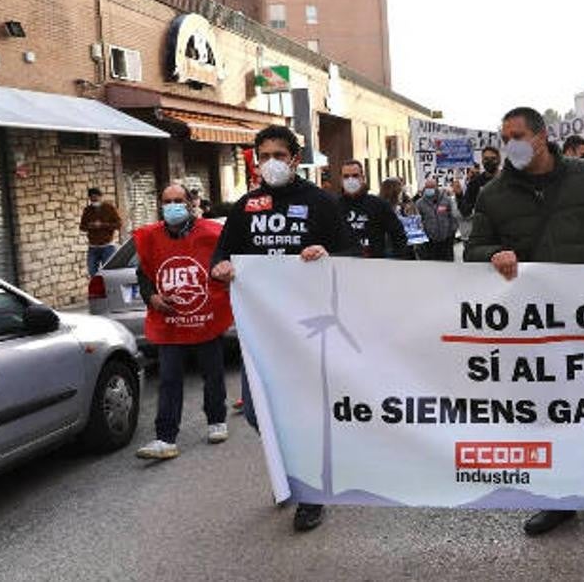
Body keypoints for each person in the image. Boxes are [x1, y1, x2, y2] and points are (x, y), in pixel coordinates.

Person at [465, 106, 584, 537]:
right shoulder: (493, 195)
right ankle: (560, 496)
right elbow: (473, 248)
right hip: (531, 323)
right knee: (546, 408)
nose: (509, 143)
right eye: (504, 136)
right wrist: (491, 255)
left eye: (516, 135)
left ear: (541, 136)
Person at [210, 125, 351, 533]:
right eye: (263, 154)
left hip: (309, 330)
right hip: (261, 331)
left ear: (294, 158)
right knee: (258, 413)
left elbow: (350, 254)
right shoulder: (247, 206)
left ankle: (308, 494)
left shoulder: (320, 202)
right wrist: (220, 267)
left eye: (278, 154)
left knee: (304, 413)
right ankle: (283, 467)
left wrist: (326, 254)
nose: (270, 162)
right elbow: (222, 252)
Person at [133, 183, 232, 461]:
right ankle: (165, 437)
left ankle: (216, 420)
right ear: (160, 205)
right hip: (170, 322)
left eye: (178, 200)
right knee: (169, 379)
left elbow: (227, 263)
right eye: (167, 201)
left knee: (212, 372)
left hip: (205, 317)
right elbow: (144, 275)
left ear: (190, 203)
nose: (173, 205)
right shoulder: (150, 238)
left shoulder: (212, 234)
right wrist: (152, 298)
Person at [338, 160, 409, 259]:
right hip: (342, 266)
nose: (350, 180)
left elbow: (398, 235)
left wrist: (396, 262)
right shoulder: (333, 206)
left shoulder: (379, 205)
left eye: (355, 176)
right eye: (346, 176)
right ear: (341, 180)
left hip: (375, 266)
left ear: (362, 178)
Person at [80, 187, 124, 276]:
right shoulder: (87, 210)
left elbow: (119, 224)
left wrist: (102, 225)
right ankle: (98, 289)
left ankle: (108, 289)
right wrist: (90, 226)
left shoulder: (109, 208)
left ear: (101, 197)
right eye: (92, 198)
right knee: (92, 271)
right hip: (93, 247)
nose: (94, 200)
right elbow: (82, 227)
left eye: (96, 198)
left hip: (107, 246)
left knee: (108, 272)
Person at [416, 176, 461, 261]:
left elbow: (453, 216)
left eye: (432, 187)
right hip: (430, 241)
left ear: (436, 187)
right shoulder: (420, 203)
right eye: (427, 187)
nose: (429, 189)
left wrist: (452, 232)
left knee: (447, 263)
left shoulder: (446, 200)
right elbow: (418, 221)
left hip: (446, 239)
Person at [458, 146, 501, 219]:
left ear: (499, 160)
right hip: (483, 227)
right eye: (486, 159)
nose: (489, 161)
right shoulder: (475, 182)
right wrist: (459, 195)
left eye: (493, 158)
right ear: (482, 161)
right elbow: (465, 212)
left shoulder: (508, 180)